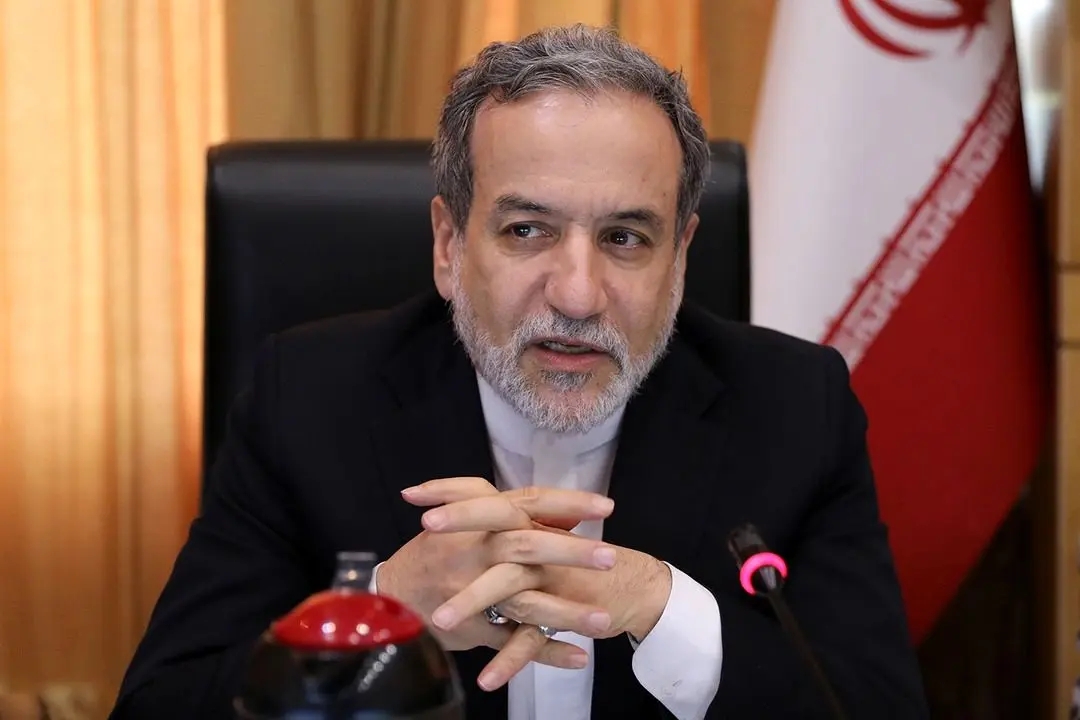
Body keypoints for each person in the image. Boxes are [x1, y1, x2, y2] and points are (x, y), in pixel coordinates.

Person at [109, 24, 928, 720]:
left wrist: (661, 607)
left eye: (625, 239)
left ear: (679, 257)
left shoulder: (795, 409)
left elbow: (875, 704)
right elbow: (160, 703)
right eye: (528, 230)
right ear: (448, 246)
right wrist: (383, 612)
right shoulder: (310, 400)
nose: (577, 295)